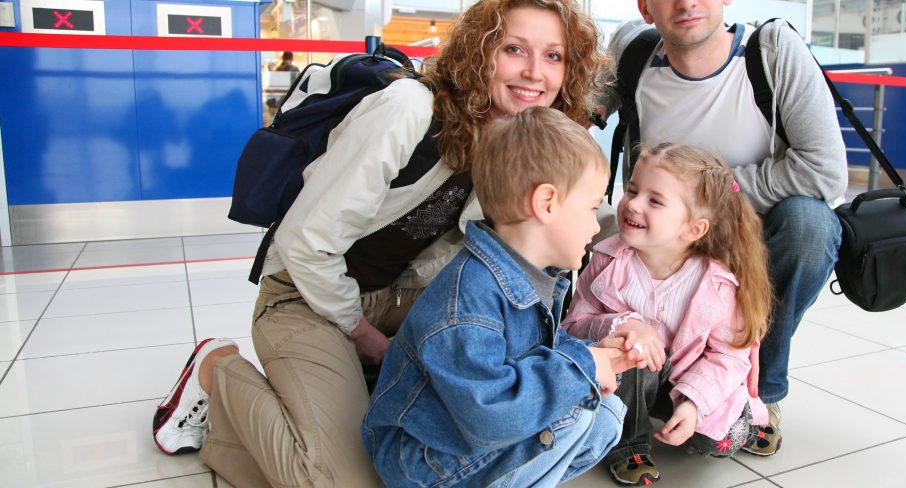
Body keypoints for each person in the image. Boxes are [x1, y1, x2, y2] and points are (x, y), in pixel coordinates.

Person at [150, 1, 610, 486]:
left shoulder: (524, 145)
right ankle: (217, 370)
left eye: (554, 56)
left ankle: (237, 437)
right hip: (306, 295)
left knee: (394, 468)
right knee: (339, 480)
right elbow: (307, 242)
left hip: (405, 295)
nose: (535, 72)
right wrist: (363, 335)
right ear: (481, 52)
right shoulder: (409, 109)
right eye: (514, 49)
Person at [599, 0, 848, 457]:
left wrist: (712, 197)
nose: (687, 3)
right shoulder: (633, 51)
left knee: (810, 225)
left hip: (749, 230)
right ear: (644, 6)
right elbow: (572, 119)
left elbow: (826, 171)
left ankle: (762, 392)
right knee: (592, 228)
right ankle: (628, 382)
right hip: (660, 237)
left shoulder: (771, 51)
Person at [364, 106, 640, 488]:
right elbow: (490, 414)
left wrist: (598, 353)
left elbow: (538, 353)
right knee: (571, 418)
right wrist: (583, 366)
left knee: (604, 414)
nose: (596, 225)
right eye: (593, 207)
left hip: (464, 439)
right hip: (422, 459)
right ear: (546, 203)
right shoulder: (468, 299)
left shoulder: (534, 275)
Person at [562, 142, 773, 485]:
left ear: (693, 229)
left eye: (655, 200)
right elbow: (572, 327)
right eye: (631, 190)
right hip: (630, 380)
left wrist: (693, 403)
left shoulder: (717, 283)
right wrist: (623, 325)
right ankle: (628, 444)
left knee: (717, 442)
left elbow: (728, 357)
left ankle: (744, 420)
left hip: (689, 379)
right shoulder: (606, 260)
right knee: (629, 352)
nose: (633, 204)